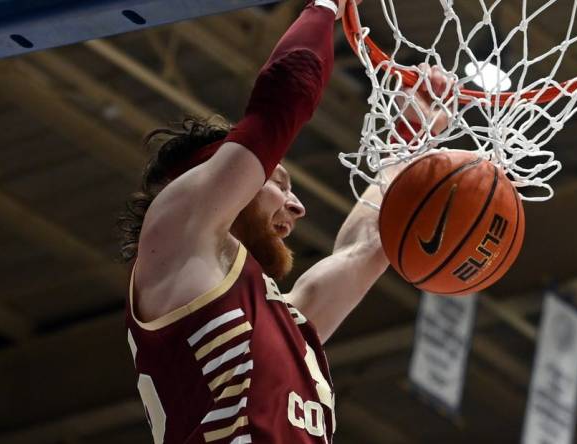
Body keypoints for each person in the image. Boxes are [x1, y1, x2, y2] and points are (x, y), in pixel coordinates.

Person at [117, 1, 451, 442]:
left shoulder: (283, 321)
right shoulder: (176, 231)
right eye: (279, 181)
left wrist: (411, 137)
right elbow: (280, 102)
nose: (298, 208)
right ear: (219, 173)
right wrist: (325, 8)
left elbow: (369, 246)